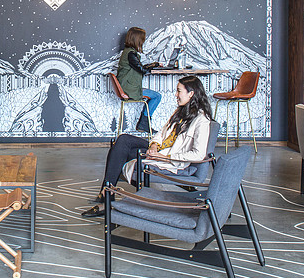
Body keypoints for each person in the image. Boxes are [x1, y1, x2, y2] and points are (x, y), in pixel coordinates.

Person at [82, 76, 215, 218]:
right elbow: (162, 133)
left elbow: (198, 154)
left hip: (169, 159)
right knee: (123, 140)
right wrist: (153, 145)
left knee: (120, 152)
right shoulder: (180, 112)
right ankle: (107, 194)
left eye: (178, 91)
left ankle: (106, 195)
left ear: (191, 93)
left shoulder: (202, 120)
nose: (176, 95)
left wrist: (165, 156)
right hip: (160, 151)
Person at [116, 27, 162, 133]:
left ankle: (143, 123)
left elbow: (139, 67)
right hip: (129, 89)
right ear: (137, 39)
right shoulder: (131, 54)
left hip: (127, 86)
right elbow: (142, 70)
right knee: (157, 96)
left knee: (155, 95)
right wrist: (154, 65)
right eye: (142, 39)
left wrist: (154, 65)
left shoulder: (128, 52)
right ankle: (143, 123)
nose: (143, 41)